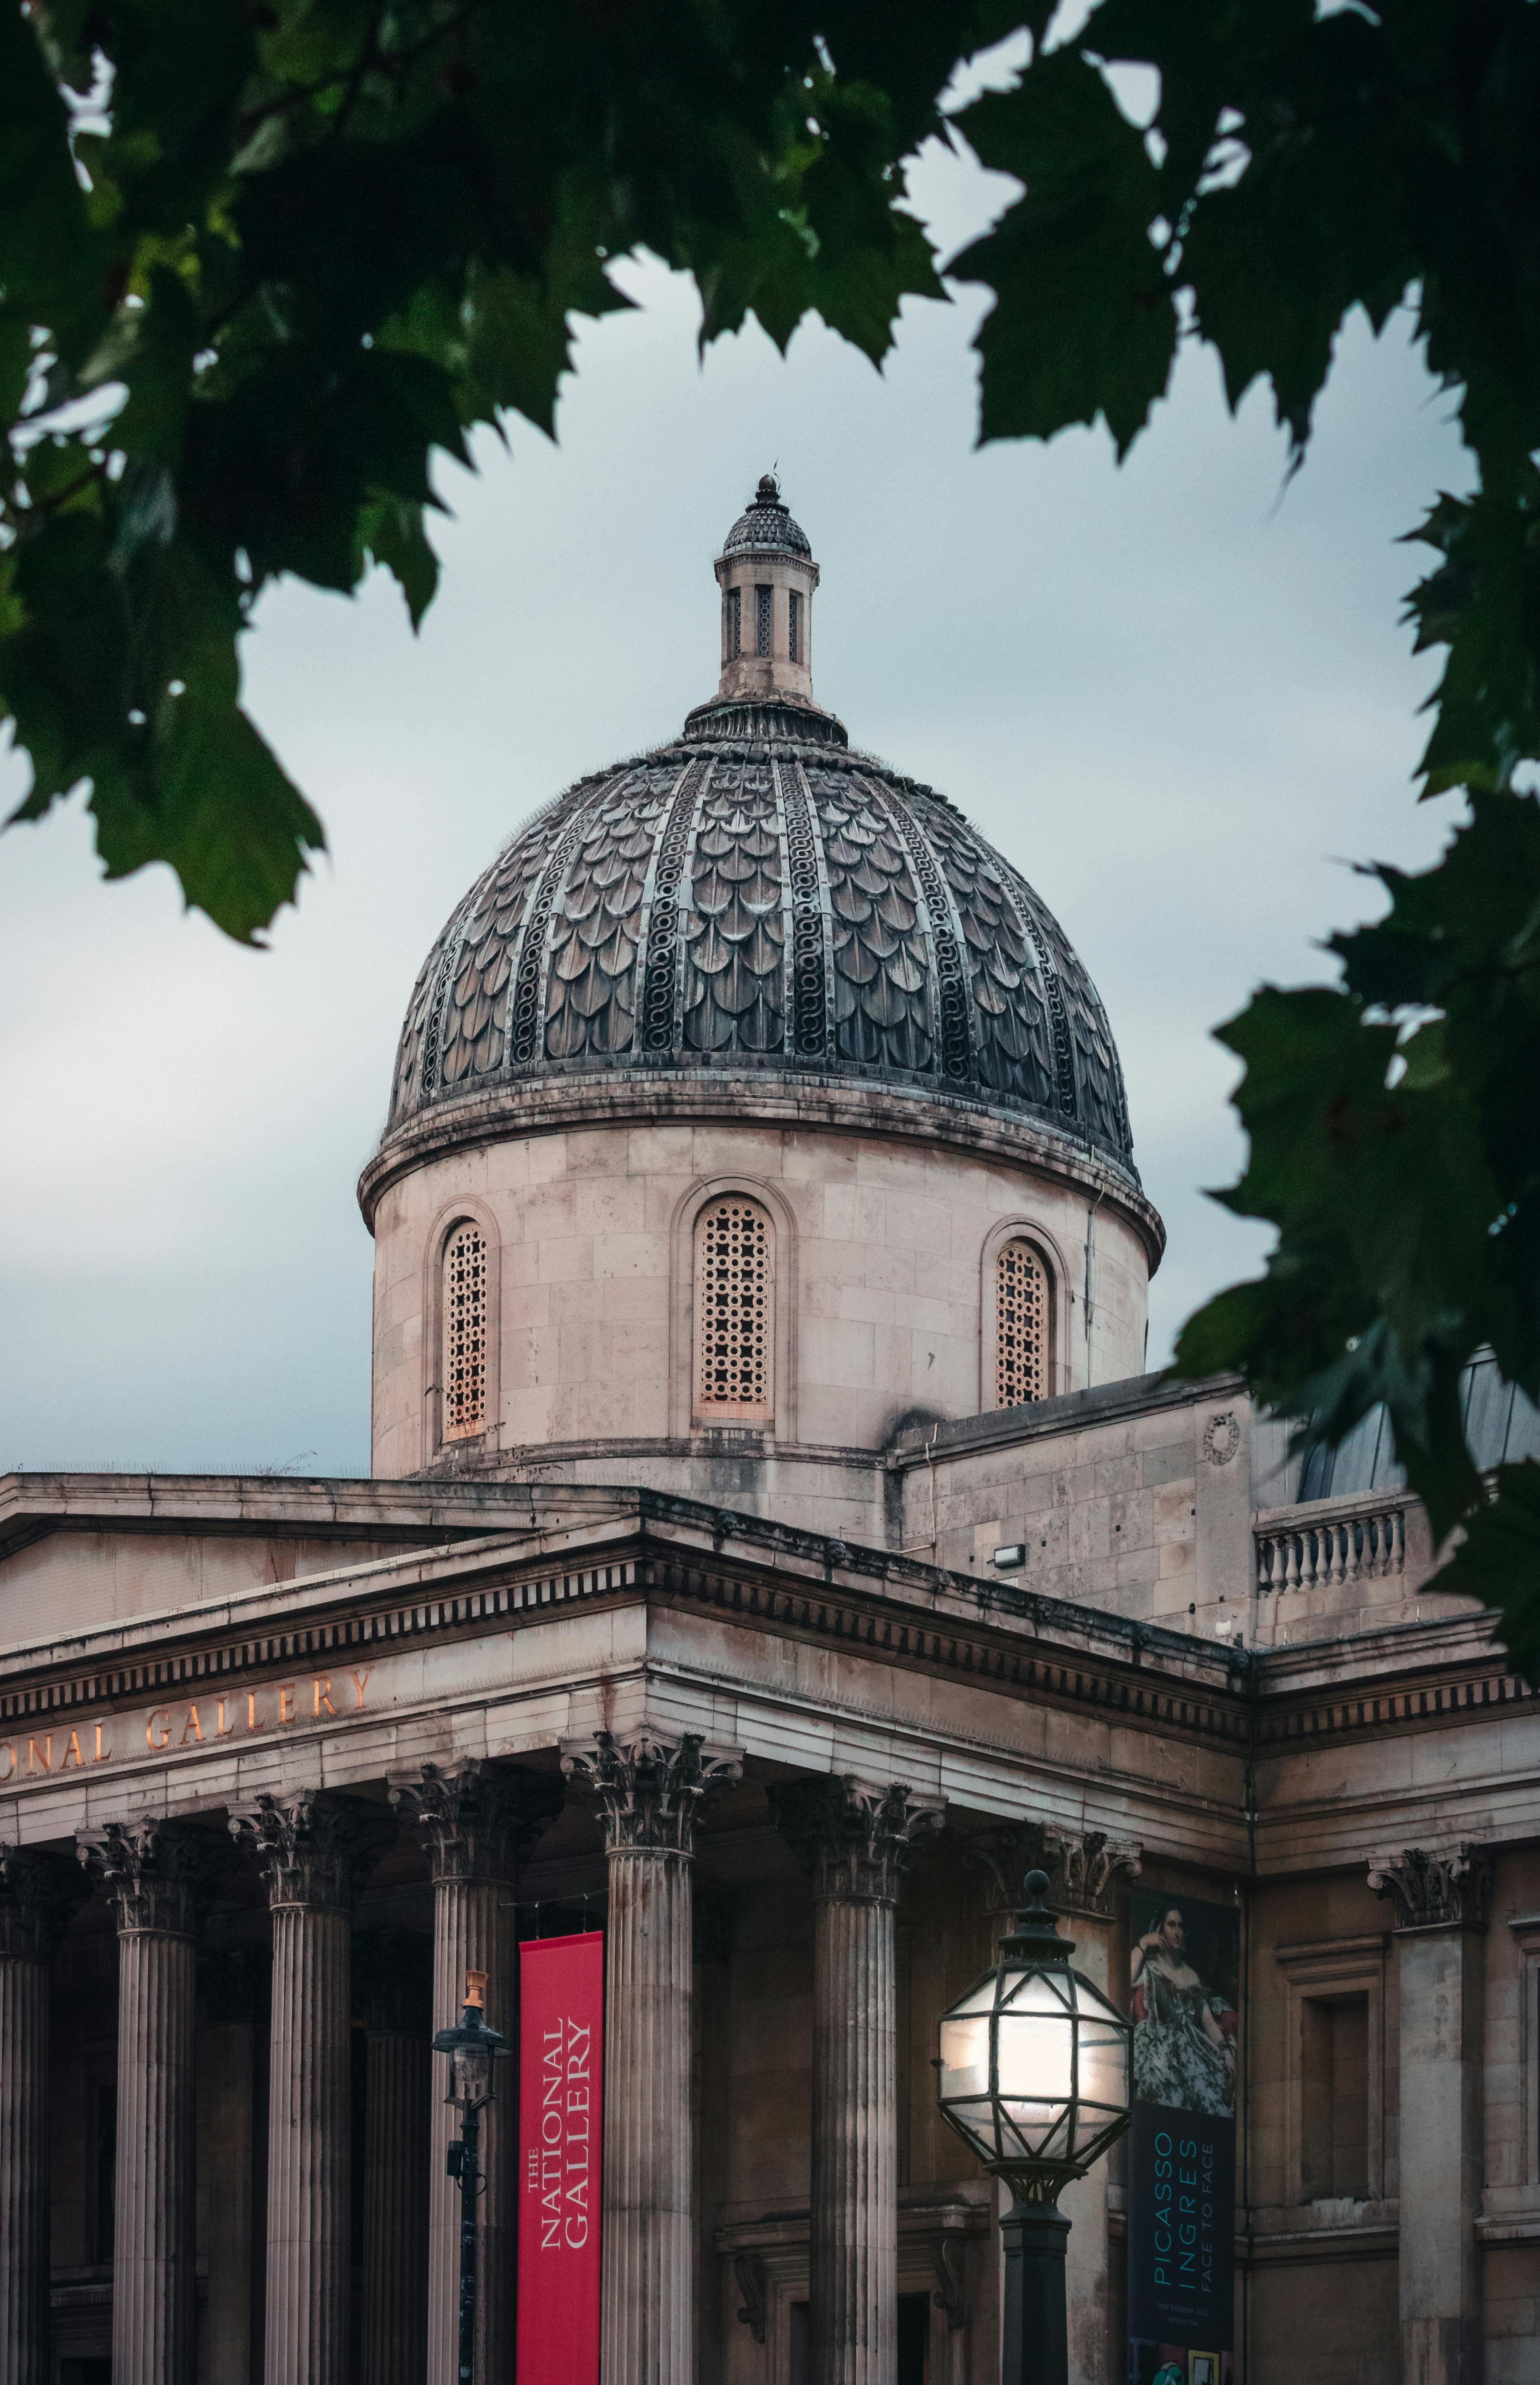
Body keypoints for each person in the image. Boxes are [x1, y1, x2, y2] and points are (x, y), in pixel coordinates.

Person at [1130, 1905, 1236, 2115]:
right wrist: (1142, 1944)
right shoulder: (1151, 1968)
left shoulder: (1192, 1976)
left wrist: (1225, 2052)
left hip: (1192, 2048)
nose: (1178, 1932)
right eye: (1171, 1925)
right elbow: (1127, 1980)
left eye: (1181, 1926)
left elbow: (1207, 2022)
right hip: (1157, 2044)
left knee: (1214, 2096)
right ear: (1160, 1930)